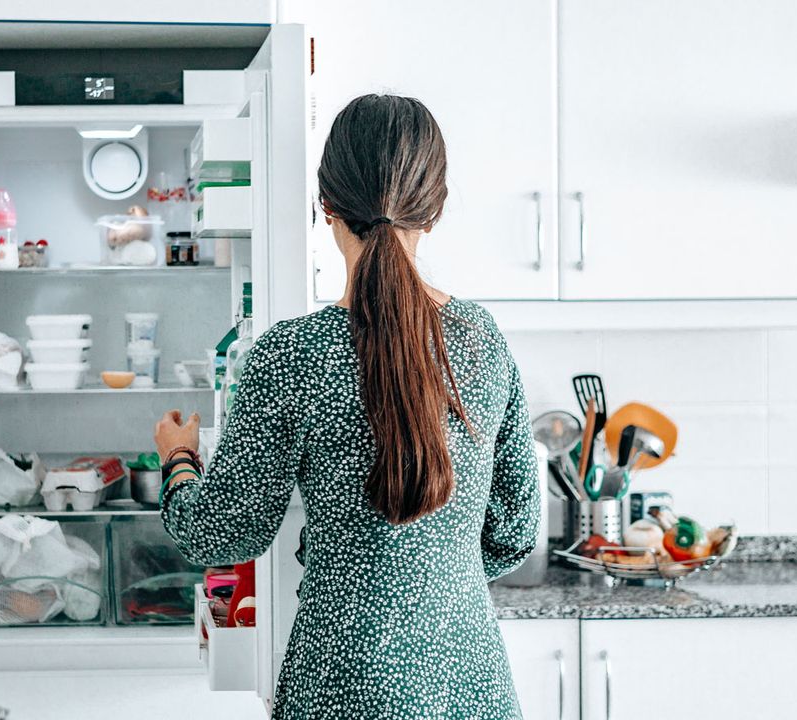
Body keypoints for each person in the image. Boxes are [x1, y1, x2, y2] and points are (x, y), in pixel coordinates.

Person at [153, 94, 540, 719]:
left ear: (324, 206)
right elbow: (514, 532)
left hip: (340, 677)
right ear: (435, 212)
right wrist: (430, 573)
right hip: (469, 681)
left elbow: (222, 531)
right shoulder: (480, 340)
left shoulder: (292, 353)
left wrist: (177, 460)